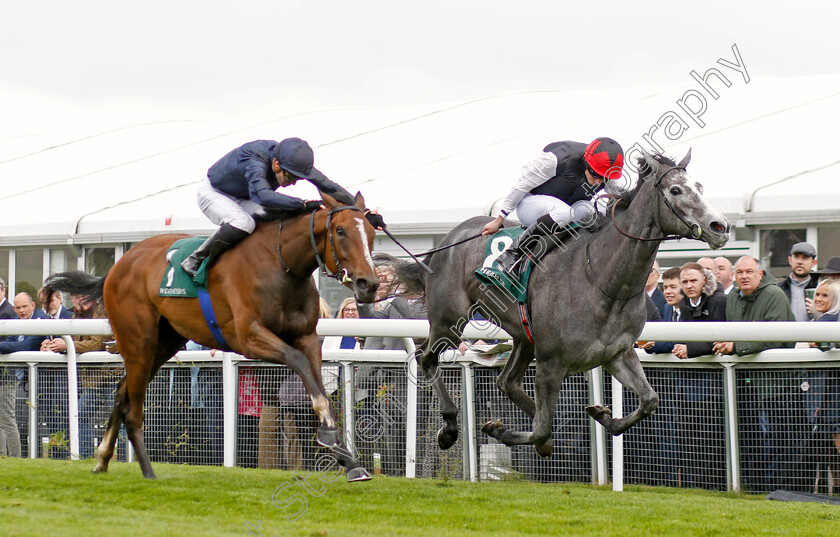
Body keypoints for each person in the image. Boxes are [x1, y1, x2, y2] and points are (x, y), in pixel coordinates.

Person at [180, 138, 384, 279]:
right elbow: (262, 195)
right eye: (290, 177)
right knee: (243, 222)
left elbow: (329, 186)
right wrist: (303, 204)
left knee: (282, 219)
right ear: (276, 164)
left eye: (298, 178)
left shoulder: (290, 161)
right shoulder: (255, 160)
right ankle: (196, 259)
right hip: (214, 193)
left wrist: (364, 214)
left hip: (244, 196)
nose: (294, 182)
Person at [481, 137, 625, 275]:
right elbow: (522, 185)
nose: (599, 181)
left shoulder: (606, 172)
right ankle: (514, 251)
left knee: (597, 212)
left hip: (567, 210)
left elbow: (622, 198)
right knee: (565, 212)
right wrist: (499, 220)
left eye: (605, 177)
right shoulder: (556, 159)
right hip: (531, 204)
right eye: (595, 174)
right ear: (587, 163)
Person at [40, 294, 117, 458]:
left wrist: (66, 345)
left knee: (120, 420)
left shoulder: (102, 311)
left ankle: (127, 463)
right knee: (81, 415)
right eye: (74, 297)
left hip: (113, 376)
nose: (77, 301)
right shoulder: (77, 315)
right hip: (92, 380)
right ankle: (85, 458)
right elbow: (70, 341)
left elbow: (96, 344)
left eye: (81, 296)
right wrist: (53, 344)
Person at [712, 256, 795, 356]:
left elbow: (775, 337)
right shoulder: (732, 297)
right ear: (734, 276)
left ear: (760, 274)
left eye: (749, 271)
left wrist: (736, 347)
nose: (744, 276)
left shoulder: (774, 295)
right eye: (740, 272)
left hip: (775, 366)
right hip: (742, 367)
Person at [0, 293, 49, 458]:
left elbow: (26, 345)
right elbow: (12, 342)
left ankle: (17, 457)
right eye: (18, 308)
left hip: (43, 381)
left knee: (11, 420)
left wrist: (6, 346)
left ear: (33, 305)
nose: (21, 311)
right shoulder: (16, 323)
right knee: (12, 420)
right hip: (19, 379)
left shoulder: (41, 320)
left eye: (24, 307)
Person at [672, 263, 727, 359]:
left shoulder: (719, 300)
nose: (689, 286)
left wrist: (690, 350)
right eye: (685, 282)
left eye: (693, 281)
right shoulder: (683, 304)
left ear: (704, 280)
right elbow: (685, 336)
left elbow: (721, 338)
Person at [777, 242, 819, 322]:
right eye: (796, 257)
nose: (800, 262)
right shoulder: (779, 288)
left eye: (805, 258)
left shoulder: (820, 288)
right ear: (790, 260)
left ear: (813, 263)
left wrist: (818, 313)